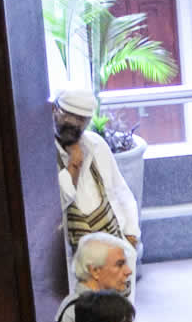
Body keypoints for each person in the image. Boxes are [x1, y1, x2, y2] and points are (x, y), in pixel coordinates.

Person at [55, 90, 141, 255]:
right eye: (68, 116)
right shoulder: (41, 158)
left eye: (81, 120)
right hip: (79, 261)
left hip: (118, 248)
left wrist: (131, 235)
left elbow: (121, 191)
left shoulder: (97, 144)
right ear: (54, 110)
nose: (73, 124)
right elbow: (59, 203)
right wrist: (75, 163)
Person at [55, 233, 138, 322]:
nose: (128, 271)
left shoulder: (96, 306)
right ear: (95, 271)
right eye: (119, 264)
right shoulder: (83, 313)